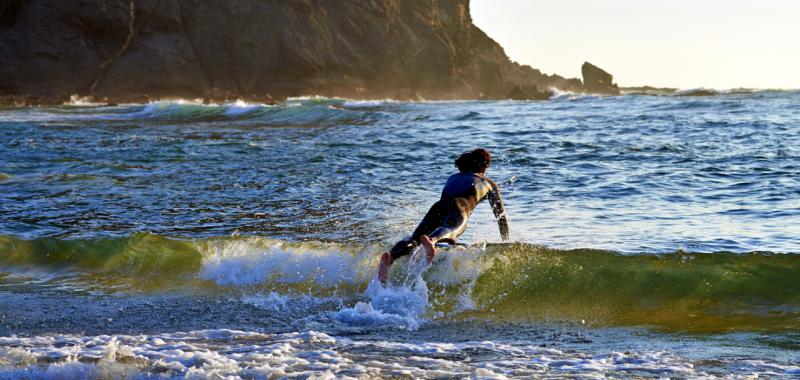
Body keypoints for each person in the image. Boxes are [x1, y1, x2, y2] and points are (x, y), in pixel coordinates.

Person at [377, 148, 510, 284]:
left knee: (414, 239)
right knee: (451, 229)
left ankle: (391, 257)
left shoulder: (452, 178)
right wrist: (506, 243)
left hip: (438, 206)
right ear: (485, 166)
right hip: (461, 206)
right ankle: (432, 240)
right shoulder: (488, 182)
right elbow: (501, 217)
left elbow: (442, 216)